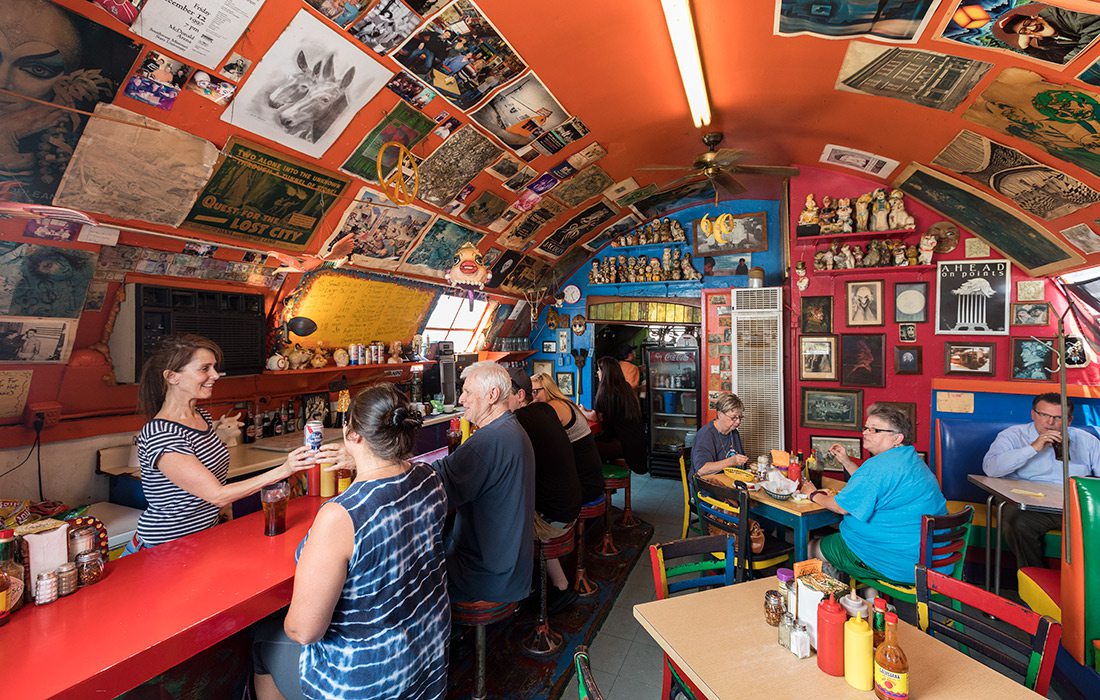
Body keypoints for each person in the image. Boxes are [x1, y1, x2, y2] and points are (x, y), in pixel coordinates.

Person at [252, 384, 449, 700]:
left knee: (265, 640)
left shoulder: (342, 514)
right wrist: (359, 459)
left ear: (353, 434)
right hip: (428, 656)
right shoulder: (428, 477)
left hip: (369, 680)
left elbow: (305, 631)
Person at [128, 335, 329, 553]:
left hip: (203, 536)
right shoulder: (161, 433)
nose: (215, 375)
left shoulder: (201, 417)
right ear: (172, 376)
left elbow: (213, 483)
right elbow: (216, 494)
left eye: (214, 368)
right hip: (164, 547)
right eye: (204, 369)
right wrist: (285, 469)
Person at [801, 404, 947, 585]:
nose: (865, 433)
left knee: (810, 547)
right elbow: (874, 485)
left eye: (874, 430)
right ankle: (871, 597)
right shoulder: (911, 460)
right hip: (934, 559)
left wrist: (812, 494)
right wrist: (846, 461)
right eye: (866, 428)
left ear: (897, 437)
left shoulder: (879, 466)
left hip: (898, 562)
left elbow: (841, 507)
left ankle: (836, 594)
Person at [432, 361, 535, 603]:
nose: (461, 399)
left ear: (492, 395)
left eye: (467, 392)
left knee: (410, 573)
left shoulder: (488, 440)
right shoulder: (510, 428)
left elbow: (432, 487)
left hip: (488, 574)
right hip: (513, 566)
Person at [982, 393, 1100, 568]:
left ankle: (1086, 587)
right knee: (1016, 522)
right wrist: (1033, 448)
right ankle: (1035, 580)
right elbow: (991, 469)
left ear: (1069, 420)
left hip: (1070, 506)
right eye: (1044, 415)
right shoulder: (1013, 436)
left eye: (1058, 417)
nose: (1050, 422)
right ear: (1033, 414)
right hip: (1027, 506)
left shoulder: (1087, 441)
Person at [506, 369, 581, 613]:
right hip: (570, 506)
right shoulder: (545, 410)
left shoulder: (518, 421)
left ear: (519, 395)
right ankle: (560, 586)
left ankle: (515, 592)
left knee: (500, 522)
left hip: (554, 518)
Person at [530, 372, 605, 504]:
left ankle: (550, 523)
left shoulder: (554, 406)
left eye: (536, 391)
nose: (533, 396)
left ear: (548, 389)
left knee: (535, 492)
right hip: (592, 478)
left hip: (585, 484)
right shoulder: (564, 402)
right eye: (531, 392)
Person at [585, 356, 647, 474]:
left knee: (586, 450)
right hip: (637, 442)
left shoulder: (606, 393)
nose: (597, 373)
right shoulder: (626, 387)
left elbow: (607, 431)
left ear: (605, 372)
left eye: (599, 370)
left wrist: (587, 414)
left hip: (622, 444)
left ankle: (600, 486)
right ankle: (606, 488)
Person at [997, 6, 1100, 65]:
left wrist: (1068, 63)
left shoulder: (1062, 12)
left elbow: (1094, 31)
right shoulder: (1047, 42)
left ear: (1035, 17)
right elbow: (1057, 63)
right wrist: (1027, 48)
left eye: (1028, 23)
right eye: (1024, 31)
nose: (1032, 28)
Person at [691, 393, 749, 477]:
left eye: (740, 417)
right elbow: (701, 469)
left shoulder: (734, 433)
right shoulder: (706, 434)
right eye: (734, 418)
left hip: (728, 479)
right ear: (720, 414)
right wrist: (731, 461)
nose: (738, 422)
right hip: (705, 484)